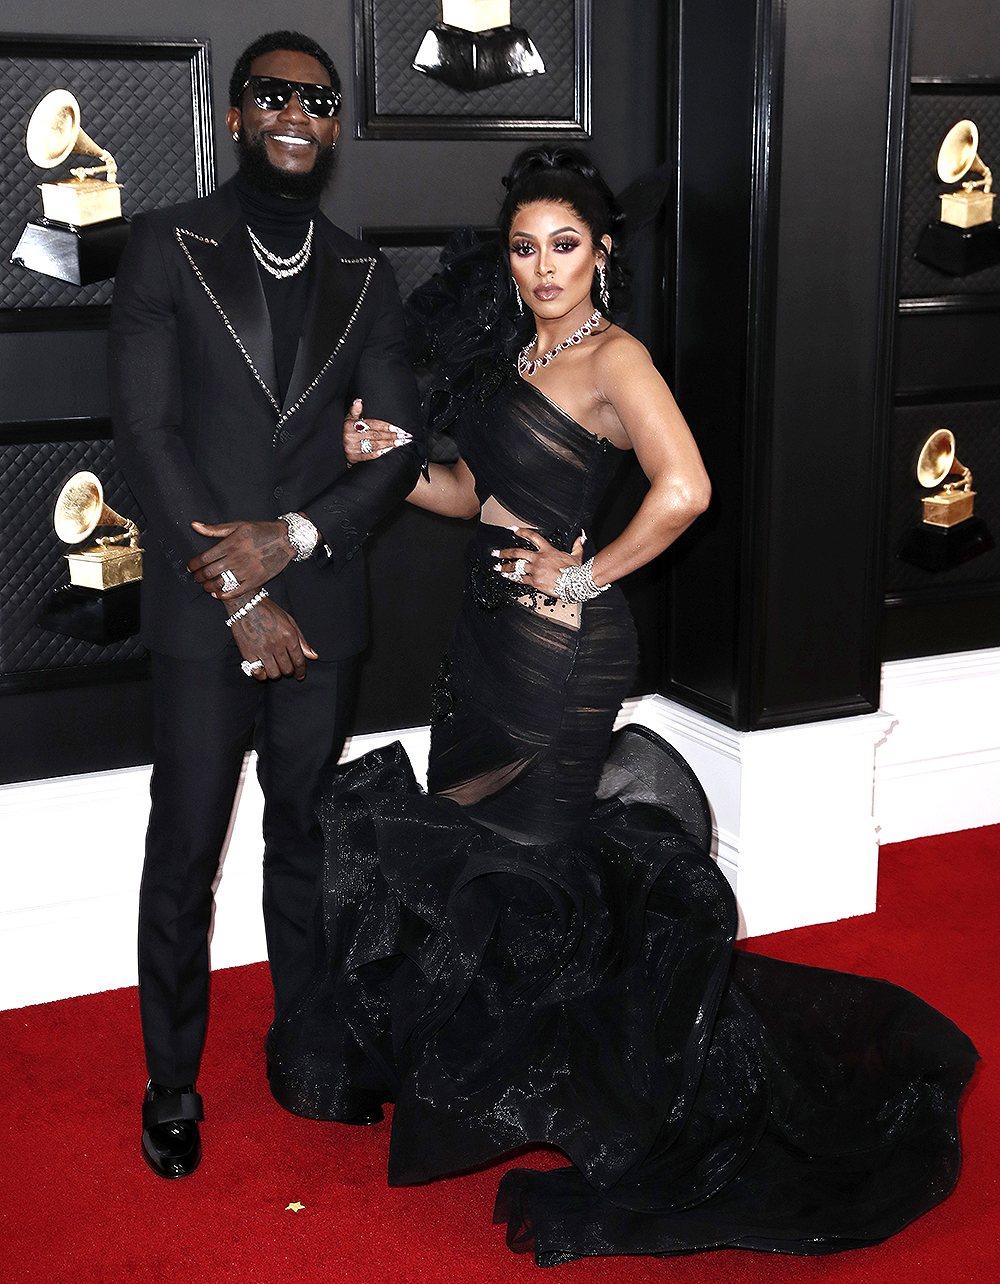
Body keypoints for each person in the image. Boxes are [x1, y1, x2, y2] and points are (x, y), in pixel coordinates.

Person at [266, 146, 977, 1264]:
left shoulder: (617, 360)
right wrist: (398, 462)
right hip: (485, 642)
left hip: (560, 654)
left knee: (533, 864)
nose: (543, 268)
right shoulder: (523, 350)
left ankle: (606, 1104)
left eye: (563, 246)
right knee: (482, 858)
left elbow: (685, 487)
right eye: (523, 248)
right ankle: (527, 1089)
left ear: (600, 255)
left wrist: (586, 574)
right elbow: (477, 497)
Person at [109, 30, 423, 1180]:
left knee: (305, 842)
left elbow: (392, 450)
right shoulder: (164, 246)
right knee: (185, 852)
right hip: (204, 621)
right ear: (237, 114)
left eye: (318, 100)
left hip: (326, 603)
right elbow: (147, 437)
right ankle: (172, 1082)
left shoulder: (364, 273)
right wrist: (242, 596)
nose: (297, 112)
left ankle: (309, 1052)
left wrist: (290, 539)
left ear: (336, 126)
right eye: (274, 95)